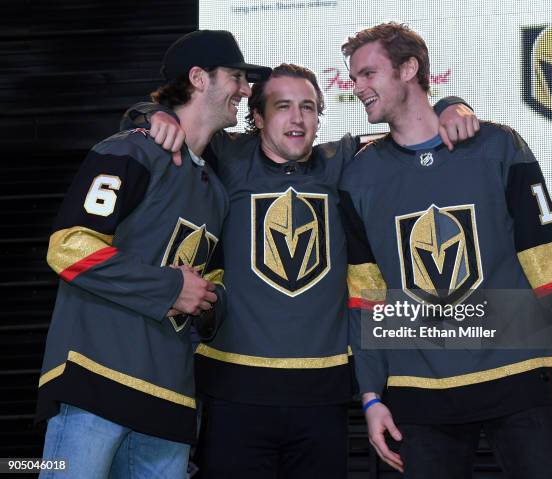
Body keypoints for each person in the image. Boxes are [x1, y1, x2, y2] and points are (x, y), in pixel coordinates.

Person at [122, 64, 478, 478]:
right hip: (232, 392)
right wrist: (151, 113)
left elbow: (410, 131)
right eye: (283, 106)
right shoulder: (228, 156)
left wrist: (452, 105)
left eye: (308, 107)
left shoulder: (343, 161)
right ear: (256, 118)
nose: (297, 118)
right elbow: (168, 116)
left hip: (322, 396)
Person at [338, 22, 552, 478]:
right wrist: (372, 396)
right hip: (417, 390)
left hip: (520, 372)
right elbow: (367, 298)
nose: (356, 86)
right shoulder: (359, 177)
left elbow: (550, 254)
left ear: (408, 69)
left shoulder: (498, 146)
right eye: (354, 76)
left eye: (367, 73)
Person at [36, 30, 270, 478]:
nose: (244, 90)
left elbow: (210, 281)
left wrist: (208, 303)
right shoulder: (128, 150)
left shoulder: (217, 191)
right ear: (199, 78)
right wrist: (170, 288)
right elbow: (69, 247)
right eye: (236, 77)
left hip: (172, 403)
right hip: (94, 383)